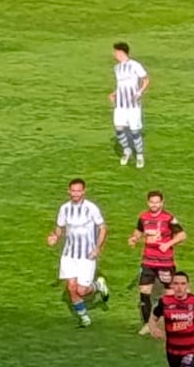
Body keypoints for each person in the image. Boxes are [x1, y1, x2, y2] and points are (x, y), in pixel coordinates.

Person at [47, 178, 108, 327]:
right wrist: (55, 236)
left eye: (78, 191)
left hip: (87, 256)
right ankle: (83, 317)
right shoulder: (64, 208)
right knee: (71, 287)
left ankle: (98, 286)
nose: (75, 194)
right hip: (69, 255)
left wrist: (97, 247)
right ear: (69, 191)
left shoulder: (91, 208)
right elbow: (60, 226)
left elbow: (103, 228)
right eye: (73, 191)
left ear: (84, 191)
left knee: (81, 290)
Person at [129, 190, 187, 334]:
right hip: (148, 261)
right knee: (144, 291)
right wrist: (134, 238)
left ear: (161, 203)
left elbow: (182, 235)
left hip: (165, 263)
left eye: (157, 202)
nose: (154, 205)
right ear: (148, 202)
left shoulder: (168, 218)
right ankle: (148, 324)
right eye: (152, 202)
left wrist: (168, 244)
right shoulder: (144, 217)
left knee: (170, 294)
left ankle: (176, 321)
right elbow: (139, 230)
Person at [110, 41, 149, 169]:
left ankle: (139, 155)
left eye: (115, 52)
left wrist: (139, 93)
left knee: (135, 131)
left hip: (132, 104)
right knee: (119, 128)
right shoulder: (117, 68)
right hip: (120, 104)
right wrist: (114, 93)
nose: (113, 54)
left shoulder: (134, 65)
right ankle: (127, 150)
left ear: (121, 52)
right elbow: (121, 85)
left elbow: (146, 80)